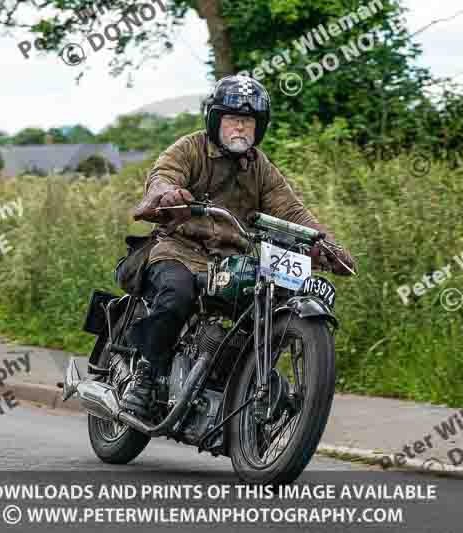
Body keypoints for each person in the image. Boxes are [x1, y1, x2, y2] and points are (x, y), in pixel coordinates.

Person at [120, 75, 357, 419]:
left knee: (264, 306)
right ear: (216, 120)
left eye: (247, 122)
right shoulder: (190, 148)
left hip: (231, 264)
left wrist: (323, 242)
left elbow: (290, 210)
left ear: (258, 128)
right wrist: (167, 196)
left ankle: (236, 389)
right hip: (179, 249)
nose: (240, 128)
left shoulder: (260, 167)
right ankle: (145, 375)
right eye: (232, 119)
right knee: (176, 293)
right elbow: (162, 177)